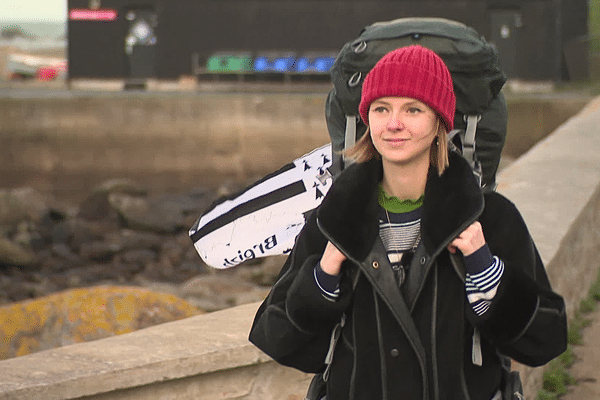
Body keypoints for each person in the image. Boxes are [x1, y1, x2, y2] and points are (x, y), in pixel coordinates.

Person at [249, 45, 567, 400]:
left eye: (413, 109)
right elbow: (276, 338)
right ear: (367, 120)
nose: (394, 123)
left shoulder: (489, 216)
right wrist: (322, 277)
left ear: (439, 123)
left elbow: (548, 338)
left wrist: (486, 272)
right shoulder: (334, 219)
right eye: (381, 109)